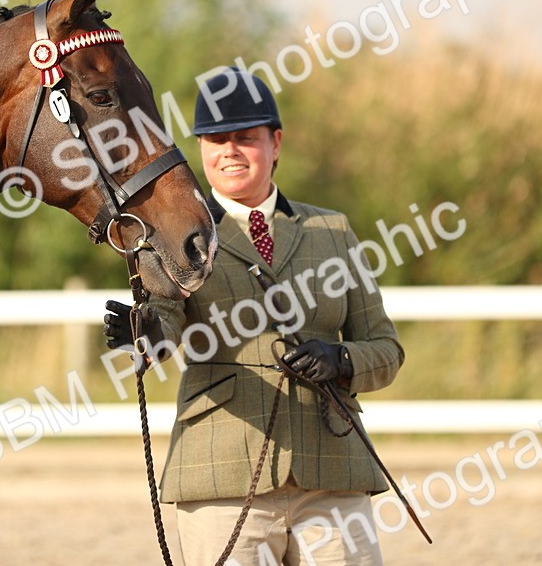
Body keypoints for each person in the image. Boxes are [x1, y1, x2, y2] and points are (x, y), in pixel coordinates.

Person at [105, 67, 405, 566]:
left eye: (245, 138)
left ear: (276, 142)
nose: (230, 151)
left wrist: (341, 358)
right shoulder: (177, 234)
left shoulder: (331, 230)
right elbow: (167, 319)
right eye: (216, 139)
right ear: (200, 147)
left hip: (331, 465)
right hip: (222, 469)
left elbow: (386, 349)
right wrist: (146, 333)